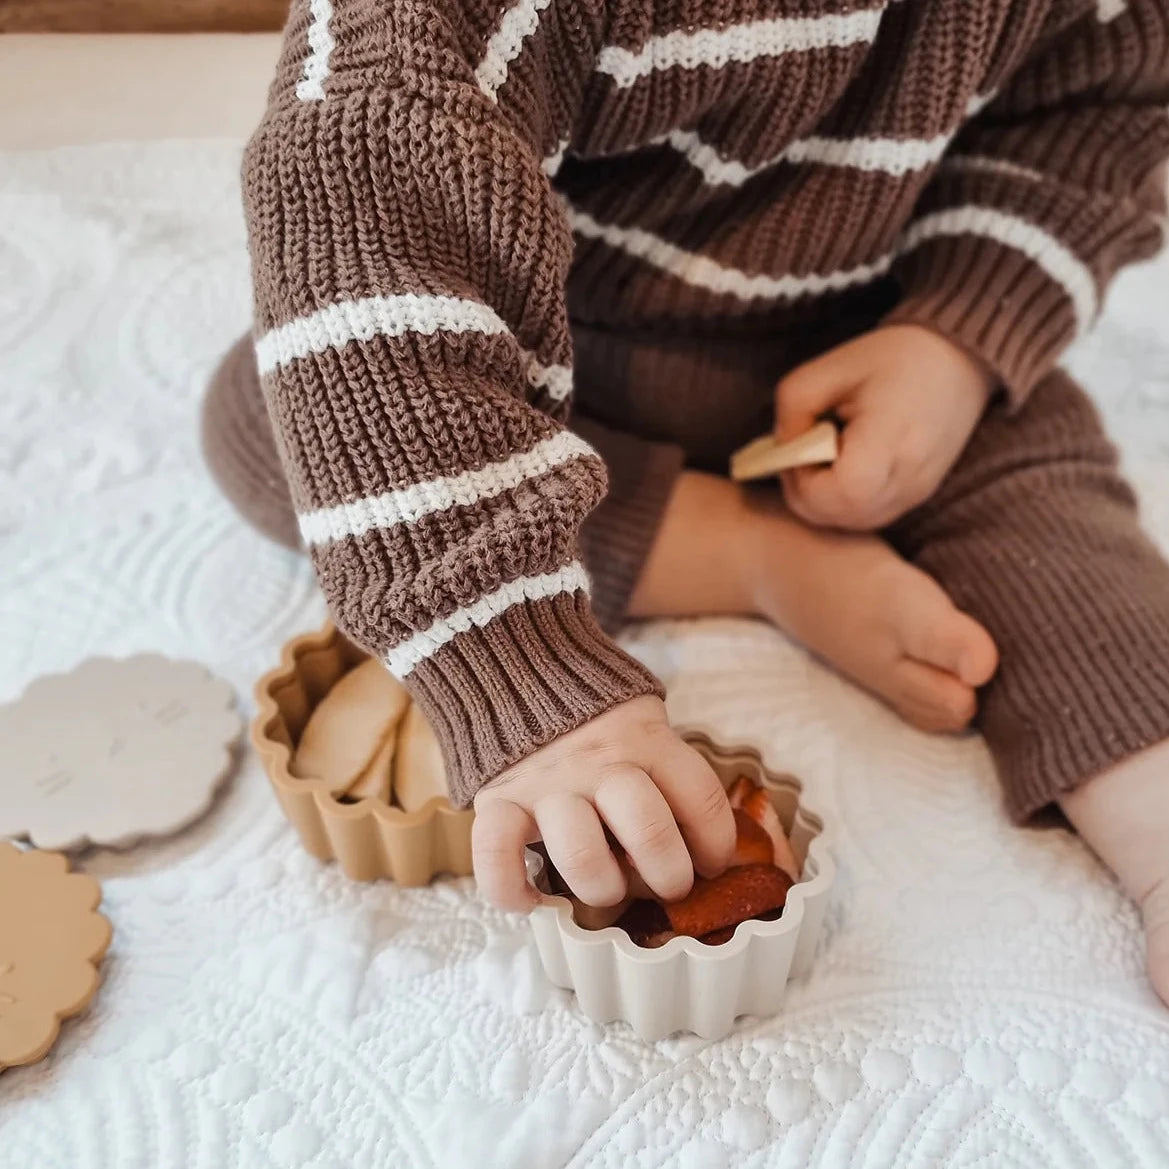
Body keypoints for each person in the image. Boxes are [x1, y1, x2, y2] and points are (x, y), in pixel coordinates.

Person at [204, 0, 1169, 1000]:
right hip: (562, 359)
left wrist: (956, 337)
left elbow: (1095, 112)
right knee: (280, 418)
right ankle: (751, 553)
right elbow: (360, 177)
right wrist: (522, 667)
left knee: (1042, 502)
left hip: (866, 344)